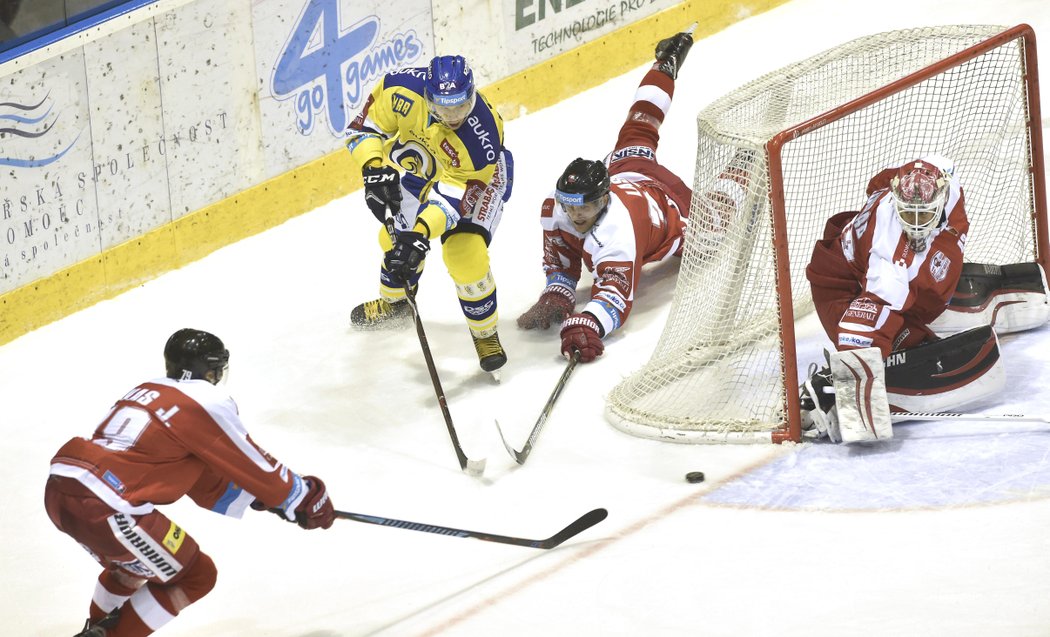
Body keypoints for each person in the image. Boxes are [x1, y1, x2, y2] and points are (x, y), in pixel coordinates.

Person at [45, 329, 336, 636]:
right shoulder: (205, 399)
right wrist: (301, 497)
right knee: (197, 575)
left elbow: (198, 475)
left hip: (63, 488)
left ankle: (94, 630)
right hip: (108, 504)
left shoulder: (146, 389)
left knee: (131, 568)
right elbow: (252, 461)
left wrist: (257, 498)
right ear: (210, 369)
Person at [516, 29, 696, 363]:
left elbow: (615, 296)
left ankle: (745, 162)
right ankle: (665, 63)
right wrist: (558, 289)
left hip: (670, 205)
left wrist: (590, 324)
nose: (575, 215)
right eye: (570, 206)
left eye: (585, 207)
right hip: (628, 169)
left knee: (723, 220)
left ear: (603, 200)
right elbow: (561, 257)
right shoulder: (561, 208)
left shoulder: (618, 234)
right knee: (640, 124)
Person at [800, 156, 989, 442]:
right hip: (842, 288)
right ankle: (824, 391)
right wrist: (853, 399)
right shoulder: (890, 266)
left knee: (920, 279)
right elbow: (859, 333)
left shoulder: (944, 179)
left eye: (923, 215)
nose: (915, 225)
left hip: (864, 263)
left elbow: (878, 182)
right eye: (907, 214)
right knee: (906, 345)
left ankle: (919, 308)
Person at [345, 54, 514, 374]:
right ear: (427, 96)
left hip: (474, 181)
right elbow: (364, 128)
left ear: (472, 95)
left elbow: (454, 199)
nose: (452, 116)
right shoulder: (400, 91)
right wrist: (373, 168)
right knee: (393, 239)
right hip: (423, 166)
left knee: (464, 253)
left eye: (460, 106)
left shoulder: (482, 139)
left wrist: (420, 234)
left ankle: (485, 334)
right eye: (443, 108)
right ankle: (395, 306)